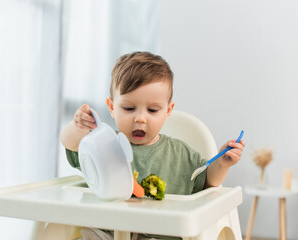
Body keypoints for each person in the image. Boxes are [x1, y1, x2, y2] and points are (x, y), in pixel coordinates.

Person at [60, 51, 245, 240]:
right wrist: (78, 128)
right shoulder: (105, 146)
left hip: (162, 235)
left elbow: (207, 182)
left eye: (152, 110)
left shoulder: (180, 154)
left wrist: (222, 163)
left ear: (167, 111)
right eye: (129, 108)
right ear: (112, 107)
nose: (140, 118)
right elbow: (71, 144)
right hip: (110, 233)